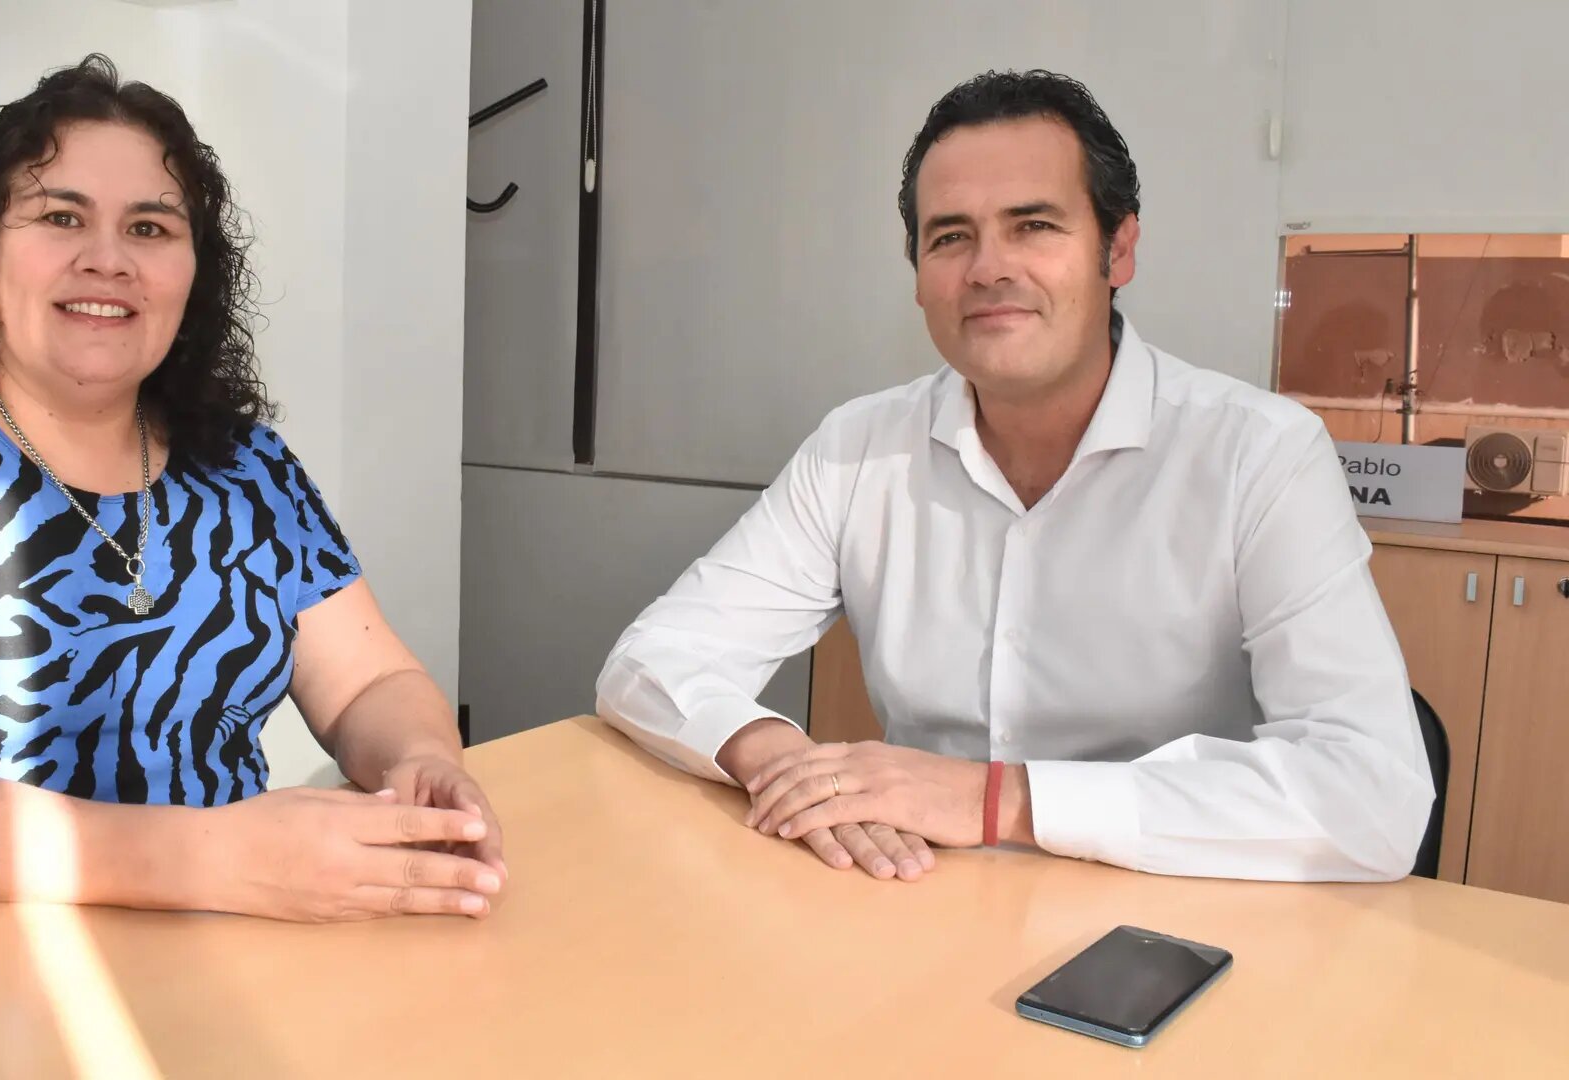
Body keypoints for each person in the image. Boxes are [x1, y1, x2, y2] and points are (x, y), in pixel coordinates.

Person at [595, 69, 1432, 884]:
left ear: (1119, 249)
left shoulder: (1260, 454)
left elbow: (1374, 795)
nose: (988, 268)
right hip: (919, 899)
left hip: (1167, 917)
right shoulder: (858, 448)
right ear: (919, 274)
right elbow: (654, 660)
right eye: (950, 237)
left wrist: (999, 801)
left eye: (1033, 225)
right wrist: (776, 755)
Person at [0, 55, 504, 940]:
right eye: (60, 216)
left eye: (150, 227)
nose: (107, 260)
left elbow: (371, 681)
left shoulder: (247, 469)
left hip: (218, 949)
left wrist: (422, 762)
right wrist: (220, 859)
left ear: (194, 274)